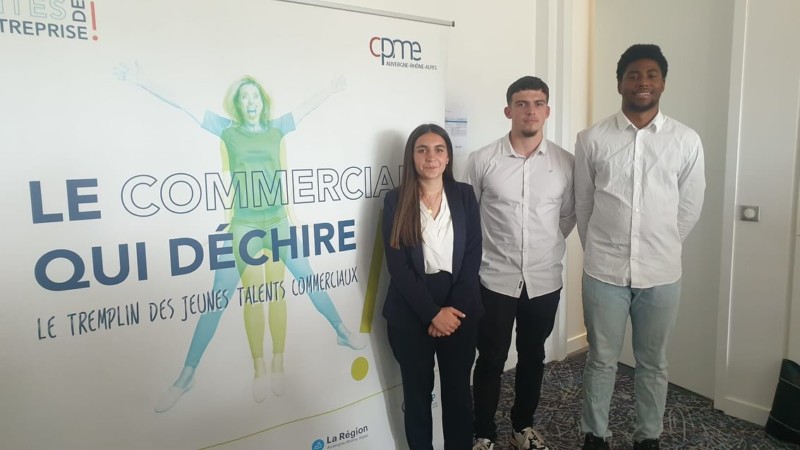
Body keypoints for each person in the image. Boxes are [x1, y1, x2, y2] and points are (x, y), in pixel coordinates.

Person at [114, 64, 364, 413]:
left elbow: (305, 108)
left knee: (308, 277)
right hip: (244, 226)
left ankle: (340, 330)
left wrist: (332, 88)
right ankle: (187, 375)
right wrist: (141, 80)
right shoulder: (227, 131)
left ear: (263, 101)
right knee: (218, 296)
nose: (250, 101)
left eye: (255, 96)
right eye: (244, 97)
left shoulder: (277, 128)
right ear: (238, 103)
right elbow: (184, 104)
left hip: (277, 223)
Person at [574, 44, 705, 450]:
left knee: (654, 363)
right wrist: (601, 248)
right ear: (620, 84)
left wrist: (659, 243)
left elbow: (690, 205)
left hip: (661, 273)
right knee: (601, 359)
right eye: (633, 75)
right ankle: (595, 435)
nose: (642, 82)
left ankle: (648, 437)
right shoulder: (592, 138)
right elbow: (583, 204)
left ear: (662, 83)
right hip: (604, 272)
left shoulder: (686, 140)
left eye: (651, 75)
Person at [467, 76, 576, 450]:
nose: (531, 111)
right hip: (494, 279)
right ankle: (483, 432)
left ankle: (522, 427)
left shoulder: (565, 163)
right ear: (508, 110)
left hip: (544, 280)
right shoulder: (482, 160)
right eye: (522, 103)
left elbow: (567, 216)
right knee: (491, 358)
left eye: (538, 103)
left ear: (548, 110)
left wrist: (543, 247)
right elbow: (469, 217)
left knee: (533, 356)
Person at [382, 124, 483, 450]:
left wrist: (451, 311)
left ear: (448, 156)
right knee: (416, 397)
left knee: (458, 394)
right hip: (411, 310)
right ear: (412, 156)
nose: (431, 157)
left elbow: (473, 255)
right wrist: (431, 314)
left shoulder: (464, 195)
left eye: (439, 149)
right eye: (422, 149)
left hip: (459, 308)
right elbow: (398, 266)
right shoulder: (396, 200)